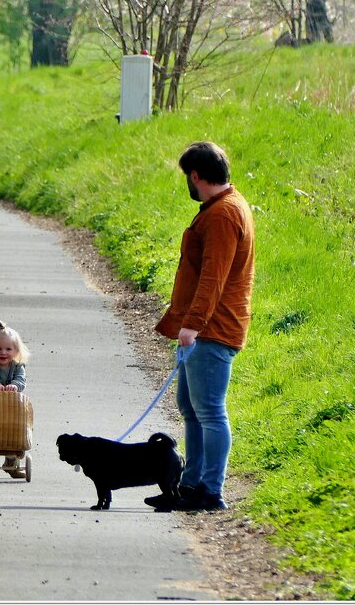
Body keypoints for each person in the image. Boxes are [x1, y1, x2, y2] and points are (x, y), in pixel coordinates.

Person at [147, 141, 255, 513]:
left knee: (209, 410)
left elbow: (214, 277)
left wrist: (193, 324)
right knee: (190, 408)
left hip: (213, 329)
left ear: (195, 176)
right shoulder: (220, 208)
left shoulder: (223, 214)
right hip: (204, 327)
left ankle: (210, 490)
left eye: (187, 178)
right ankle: (188, 484)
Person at [0, 321, 30, 477]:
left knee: (13, 433)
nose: (3, 352)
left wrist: (15, 385)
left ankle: (11, 462)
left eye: (8, 349)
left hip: (13, 407)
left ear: (16, 351)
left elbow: (21, 380)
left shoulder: (17, 366)